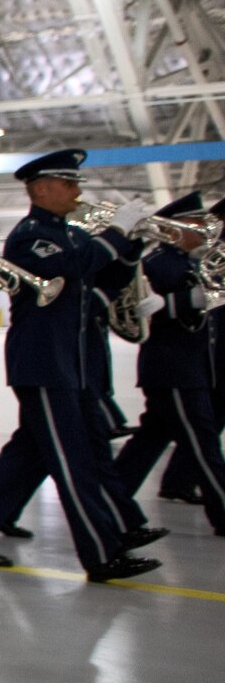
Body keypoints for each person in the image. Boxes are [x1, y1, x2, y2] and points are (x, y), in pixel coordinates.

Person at [0, 152, 161, 582]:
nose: (77, 191)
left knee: (31, 454)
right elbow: (73, 268)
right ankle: (102, 554)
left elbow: (106, 277)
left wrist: (133, 241)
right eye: (68, 183)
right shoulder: (32, 236)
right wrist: (116, 232)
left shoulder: (69, 233)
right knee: (72, 462)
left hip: (69, 364)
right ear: (41, 187)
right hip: (43, 364)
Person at [110, 193, 225, 534]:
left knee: (147, 443)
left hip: (186, 366)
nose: (206, 230)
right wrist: (180, 303)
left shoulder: (188, 262)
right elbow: (135, 314)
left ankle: (109, 501)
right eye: (199, 224)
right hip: (172, 368)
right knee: (203, 443)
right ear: (179, 227)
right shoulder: (158, 263)